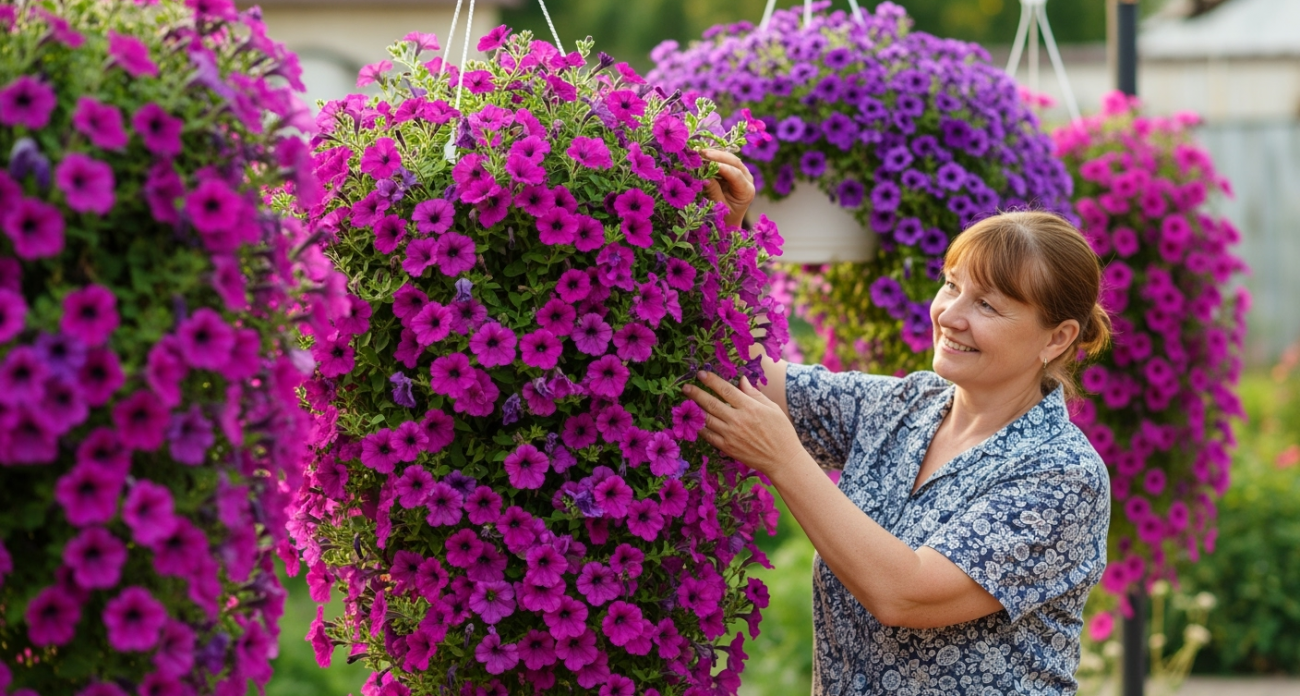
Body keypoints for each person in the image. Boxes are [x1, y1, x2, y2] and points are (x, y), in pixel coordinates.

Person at [683, 179, 1113, 694]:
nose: (950, 316)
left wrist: (784, 460)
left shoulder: (1063, 473)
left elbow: (905, 594)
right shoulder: (903, 405)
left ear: (1058, 337)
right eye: (952, 286)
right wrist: (723, 235)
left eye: (988, 305)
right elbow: (747, 373)